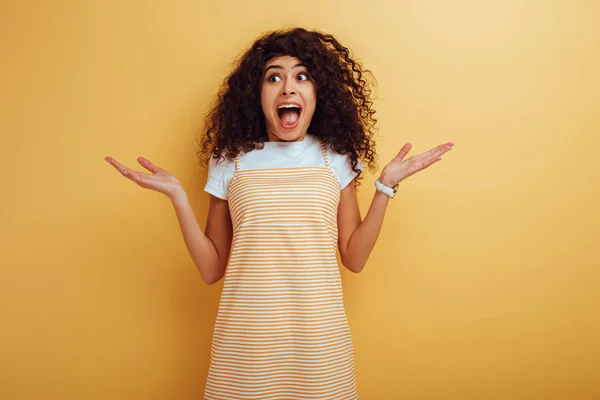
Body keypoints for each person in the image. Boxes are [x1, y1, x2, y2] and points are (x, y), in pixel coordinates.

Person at [105, 27, 453, 400]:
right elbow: (211, 269)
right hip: (246, 347)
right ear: (258, 94)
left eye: (302, 76)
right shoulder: (229, 160)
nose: (289, 88)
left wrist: (385, 186)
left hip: (320, 347)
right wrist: (178, 198)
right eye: (275, 77)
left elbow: (354, 257)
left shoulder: (333, 158)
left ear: (318, 93)